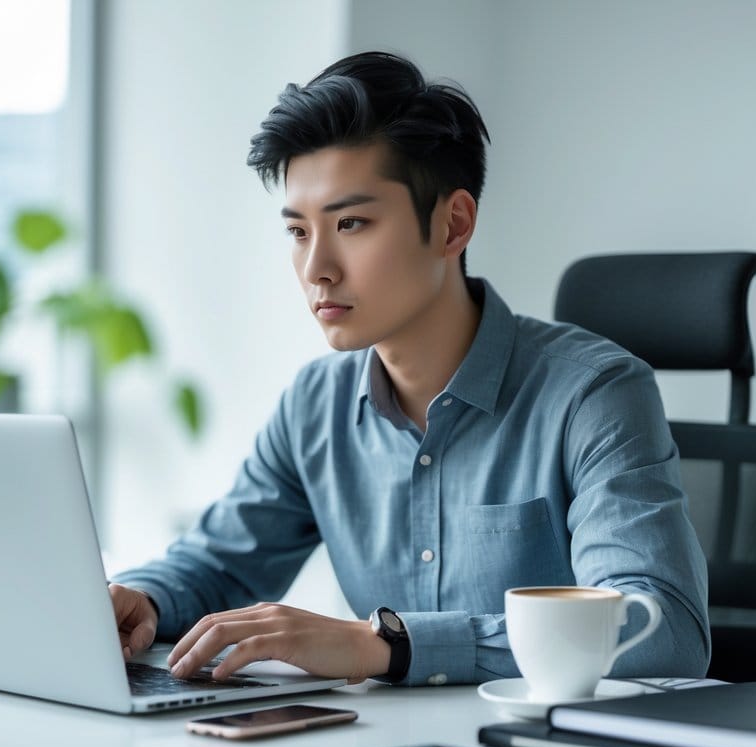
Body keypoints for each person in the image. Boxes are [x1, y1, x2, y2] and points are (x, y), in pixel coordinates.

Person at [109, 51, 710, 687]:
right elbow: (221, 566)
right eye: (297, 232)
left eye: (350, 223)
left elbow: (663, 629)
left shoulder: (594, 394)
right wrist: (141, 602)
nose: (317, 268)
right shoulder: (316, 404)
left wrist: (388, 645)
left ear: (452, 225)